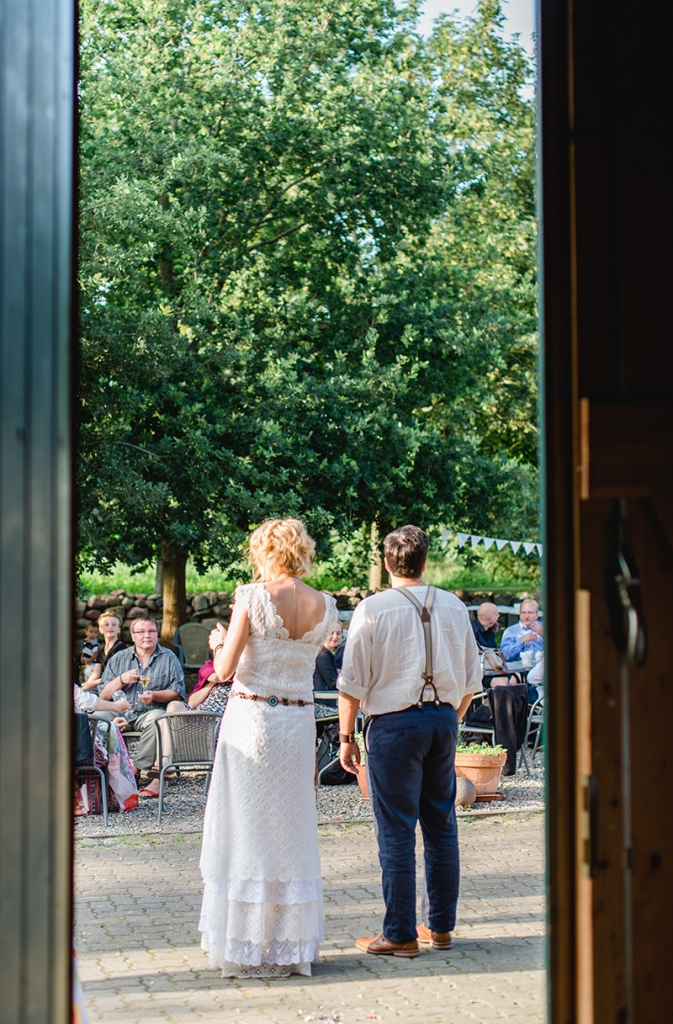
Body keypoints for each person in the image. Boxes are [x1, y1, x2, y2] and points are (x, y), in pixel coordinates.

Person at [198, 518, 339, 978]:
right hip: (298, 725)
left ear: (265, 552)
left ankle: (247, 945)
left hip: (254, 719)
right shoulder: (327, 605)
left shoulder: (252, 597)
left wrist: (220, 641)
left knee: (248, 830)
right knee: (290, 830)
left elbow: (222, 669)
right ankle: (289, 943)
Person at [338, 525, 482, 957]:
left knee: (397, 830)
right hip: (442, 720)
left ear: (387, 563)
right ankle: (439, 928)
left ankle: (400, 932)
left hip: (394, 725)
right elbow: (472, 679)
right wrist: (449, 719)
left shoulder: (372, 608)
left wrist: (346, 738)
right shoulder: (455, 606)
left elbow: (351, 683)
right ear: (424, 562)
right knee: (442, 825)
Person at [98, 615, 185, 797]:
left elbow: (177, 692)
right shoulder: (119, 659)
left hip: (149, 712)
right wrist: (121, 680)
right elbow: (103, 695)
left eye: (151, 631)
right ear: (133, 636)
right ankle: (96, 774)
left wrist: (154, 695)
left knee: (158, 719)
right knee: (96, 720)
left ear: (157, 634)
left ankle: (134, 771)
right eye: (141, 632)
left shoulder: (169, 658)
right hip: (119, 712)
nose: (147, 635)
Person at [81, 609, 127, 690]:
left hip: (116, 686)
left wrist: (91, 684)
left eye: (114, 625)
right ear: (101, 629)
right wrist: (86, 685)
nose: (110, 627)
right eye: (106, 625)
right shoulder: (100, 648)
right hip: (103, 683)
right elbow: (96, 673)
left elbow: (115, 676)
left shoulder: (121, 647)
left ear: (119, 629)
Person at [313, 622, 343, 690]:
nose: (335, 637)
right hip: (322, 699)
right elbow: (333, 684)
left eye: (338, 633)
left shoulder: (322, 652)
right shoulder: (323, 655)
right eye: (331, 633)